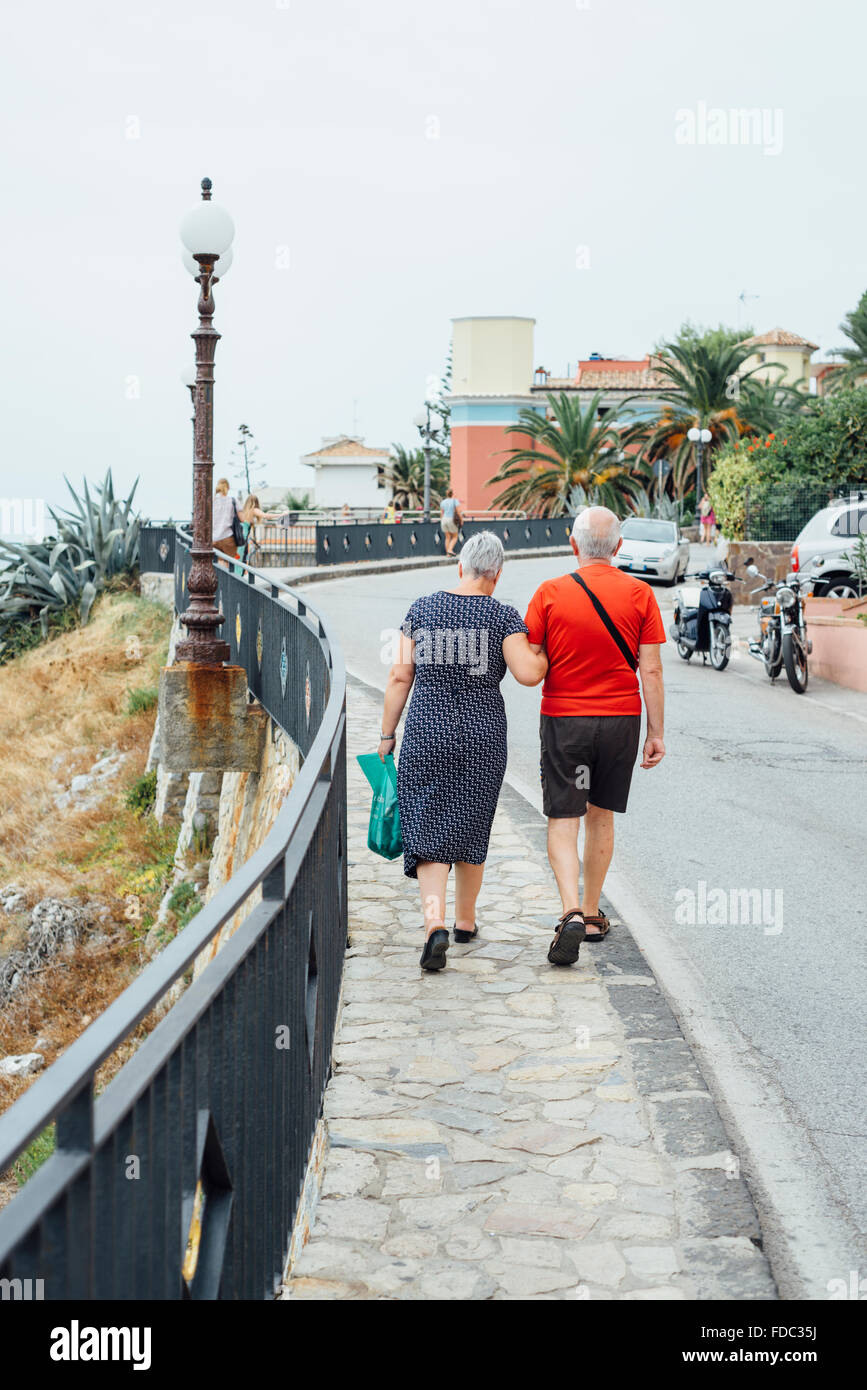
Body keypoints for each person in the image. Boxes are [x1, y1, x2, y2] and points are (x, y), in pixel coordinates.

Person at [379, 531, 548, 972]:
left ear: (461, 567)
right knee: (472, 823)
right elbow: (530, 674)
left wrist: (386, 734)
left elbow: (400, 677)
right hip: (481, 736)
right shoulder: (502, 617)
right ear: (496, 574)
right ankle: (466, 921)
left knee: (429, 826)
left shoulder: (421, 609)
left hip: (425, 733)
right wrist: (544, 649)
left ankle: (434, 921)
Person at [524, 506, 666, 965]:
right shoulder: (641, 594)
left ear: (573, 544)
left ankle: (568, 910)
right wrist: (656, 732)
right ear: (619, 547)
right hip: (621, 721)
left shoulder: (549, 593)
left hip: (565, 720)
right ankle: (590, 912)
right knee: (600, 816)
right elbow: (652, 669)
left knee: (564, 817)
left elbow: (532, 659)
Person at [212, 477, 239, 559]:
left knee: (218, 563)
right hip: (227, 537)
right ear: (228, 487)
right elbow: (242, 518)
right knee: (231, 564)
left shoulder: (211, 501)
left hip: (214, 538)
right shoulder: (232, 501)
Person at [440, 487, 462, 556]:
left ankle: (448, 554)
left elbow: (442, 513)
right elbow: (458, 512)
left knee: (447, 537)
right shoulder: (455, 501)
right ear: (452, 494)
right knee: (455, 536)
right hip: (451, 519)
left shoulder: (443, 502)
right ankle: (450, 550)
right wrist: (461, 520)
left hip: (444, 520)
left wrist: (441, 520)